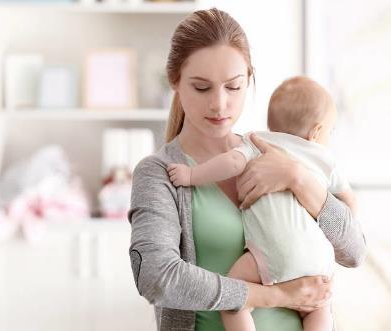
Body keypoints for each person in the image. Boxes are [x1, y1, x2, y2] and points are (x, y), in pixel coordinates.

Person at [128, 8, 367, 331]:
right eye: (202, 88)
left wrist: (297, 178)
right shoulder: (159, 173)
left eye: (234, 87)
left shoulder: (276, 154)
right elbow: (157, 277)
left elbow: (353, 252)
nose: (219, 104)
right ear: (176, 82)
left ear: (249, 81)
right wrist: (276, 295)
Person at [167, 76, 357, 331]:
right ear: (316, 132)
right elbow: (349, 207)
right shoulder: (325, 159)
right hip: (316, 257)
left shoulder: (256, 144)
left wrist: (192, 175)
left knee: (234, 294)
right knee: (319, 307)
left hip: (273, 251)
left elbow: (231, 164)